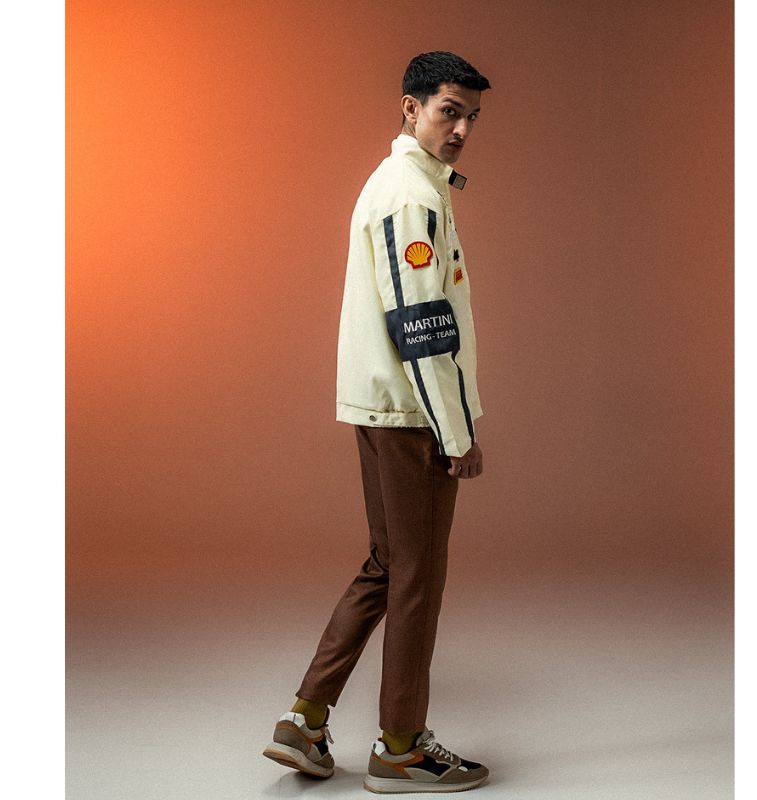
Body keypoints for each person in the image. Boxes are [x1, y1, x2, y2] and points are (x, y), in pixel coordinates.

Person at [263, 51, 491, 794]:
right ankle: (400, 748)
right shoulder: (410, 196)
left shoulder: (409, 184)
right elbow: (420, 324)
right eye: (449, 111)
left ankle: (304, 720)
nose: (461, 129)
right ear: (410, 108)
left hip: (389, 407)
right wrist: (455, 433)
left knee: (388, 566)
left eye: (471, 117)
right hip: (411, 415)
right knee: (417, 578)